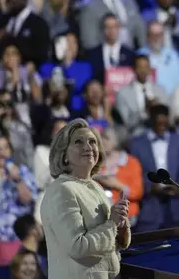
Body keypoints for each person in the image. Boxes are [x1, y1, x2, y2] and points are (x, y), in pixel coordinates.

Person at [39, 118, 130, 279]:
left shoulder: (96, 187)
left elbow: (106, 240)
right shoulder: (62, 190)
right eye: (78, 142)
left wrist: (120, 224)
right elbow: (78, 246)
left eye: (92, 142)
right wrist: (112, 223)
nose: (88, 147)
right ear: (64, 155)